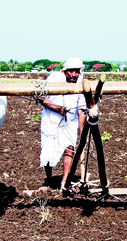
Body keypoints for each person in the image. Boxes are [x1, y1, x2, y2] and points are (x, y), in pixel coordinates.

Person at [39, 57, 87, 191]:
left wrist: (82, 132)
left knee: (69, 148)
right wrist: (57, 108)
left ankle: (64, 183)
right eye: (71, 71)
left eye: (77, 71)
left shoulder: (81, 84)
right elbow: (42, 98)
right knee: (47, 152)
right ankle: (48, 179)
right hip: (51, 121)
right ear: (65, 71)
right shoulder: (53, 79)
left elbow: (82, 109)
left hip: (70, 122)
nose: (74, 75)